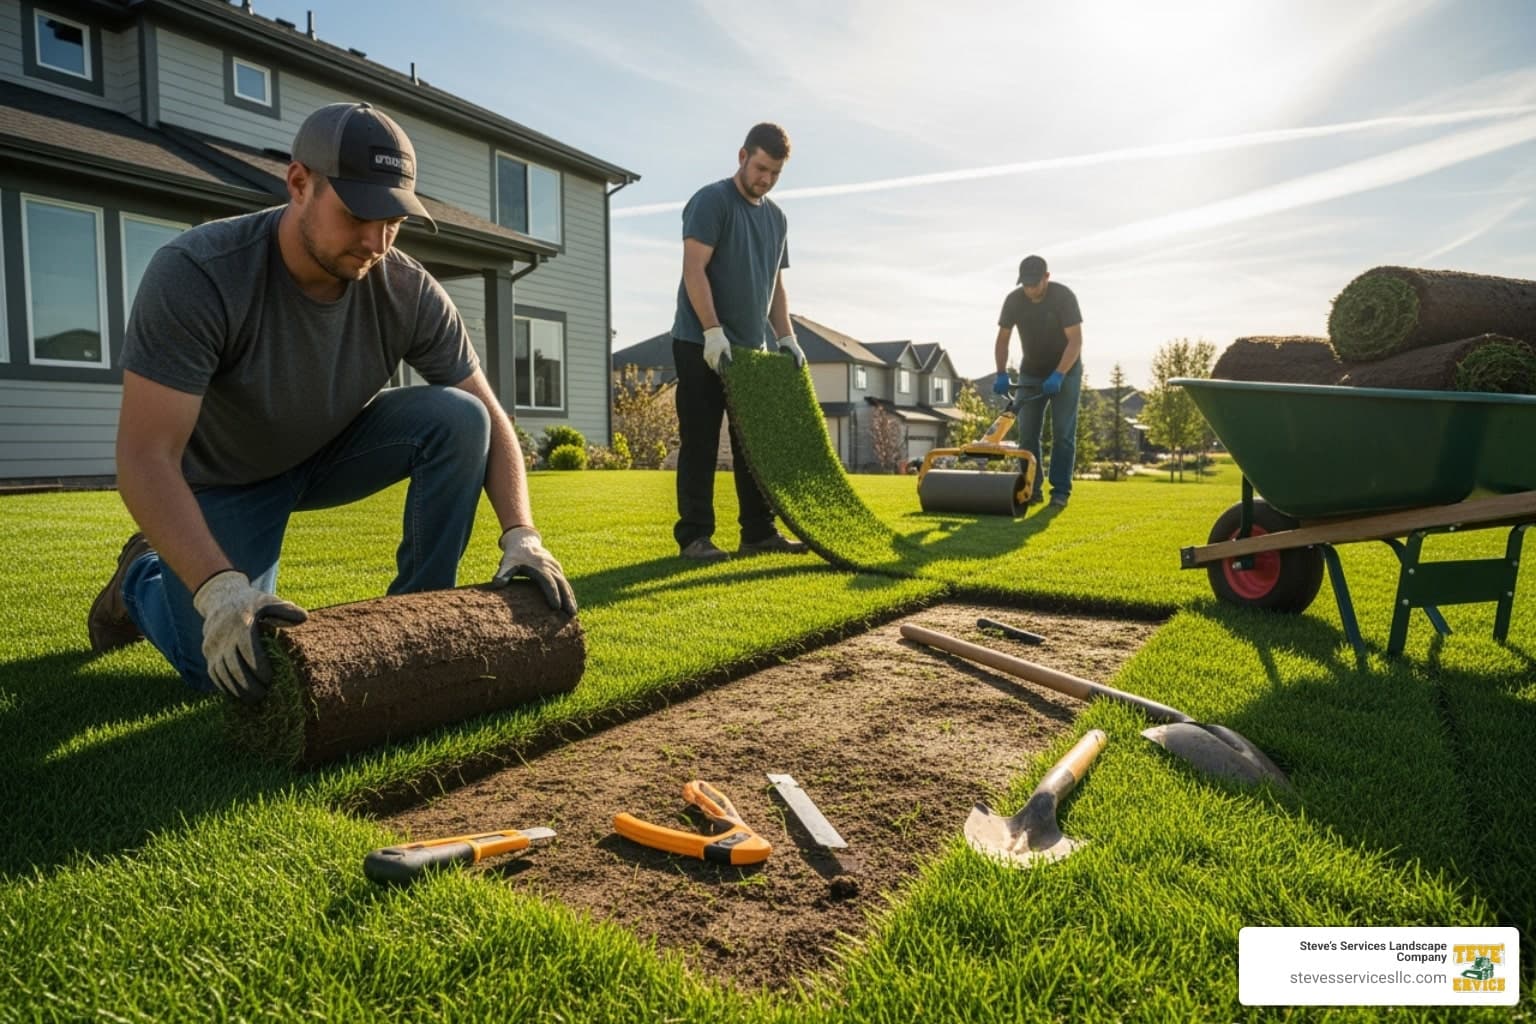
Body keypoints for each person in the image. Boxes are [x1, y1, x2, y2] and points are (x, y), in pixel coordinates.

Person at [86, 101, 576, 705]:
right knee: (228, 670)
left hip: (329, 451)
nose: (375, 240)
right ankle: (139, 578)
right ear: (298, 184)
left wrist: (522, 535)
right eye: (356, 214)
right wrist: (218, 589)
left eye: (393, 220)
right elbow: (144, 456)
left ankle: (418, 622)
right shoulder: (199, 273)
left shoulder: (406, 288)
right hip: (227, 480)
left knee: (459, 416)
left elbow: (491, 416)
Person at [669, 122, 810, 562]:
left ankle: (758, 533)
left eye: (775, 173)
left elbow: (775, 285)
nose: (765, 179)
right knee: (701, 441)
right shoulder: (711, 201)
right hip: (699, 343)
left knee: (755, 444)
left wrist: (785, 336)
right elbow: (695, 269)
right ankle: (695, 536)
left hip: (751, 351)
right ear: (742, 156)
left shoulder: (777, 218)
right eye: (761, 168)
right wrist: (712, 331)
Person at [993, 254, 1084, 509]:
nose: (1030, 288)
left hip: (1066, 370)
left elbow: (1075, 341)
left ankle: (1060, 492)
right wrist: (1001, 372)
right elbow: (1003, 339)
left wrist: (1059, 374)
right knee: (1027, 435)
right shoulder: (1014, 300)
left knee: (1063, 433)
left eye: (1035, 283)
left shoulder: (1063, 297)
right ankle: (1031, 488)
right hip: (1031, 371)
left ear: (1046, 277)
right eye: (1026, 284)